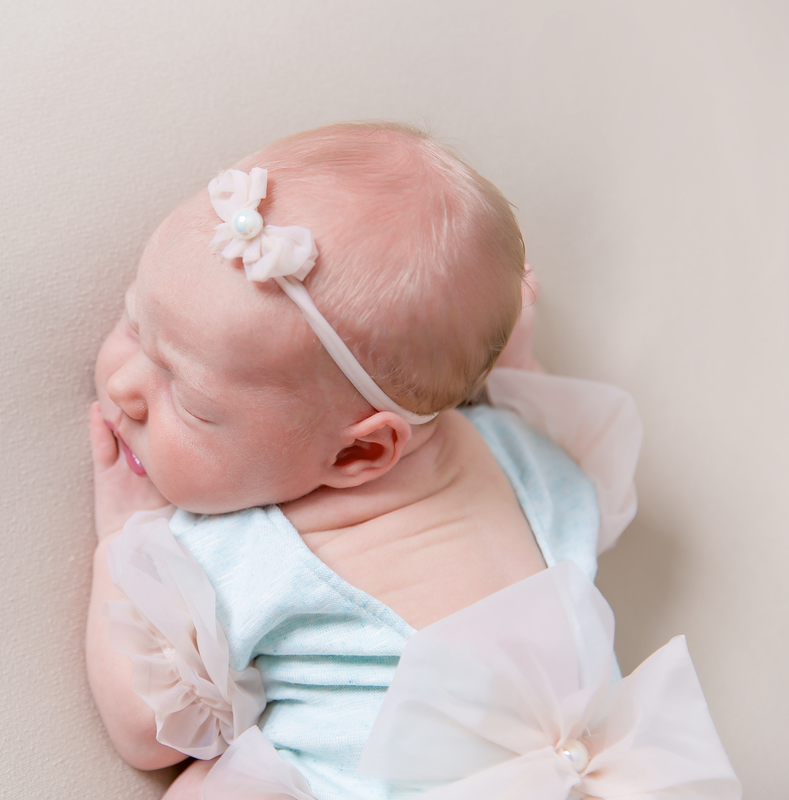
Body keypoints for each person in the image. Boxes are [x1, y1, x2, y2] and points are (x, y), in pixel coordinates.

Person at [83, 123, 733, 799]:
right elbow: (573, 494)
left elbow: (149, 730)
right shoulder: (532, 463)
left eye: (187, 399)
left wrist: (123, 542)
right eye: (135, 322)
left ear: (363, 450)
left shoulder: (252, 549)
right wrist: (503, 353)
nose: (127, 385)